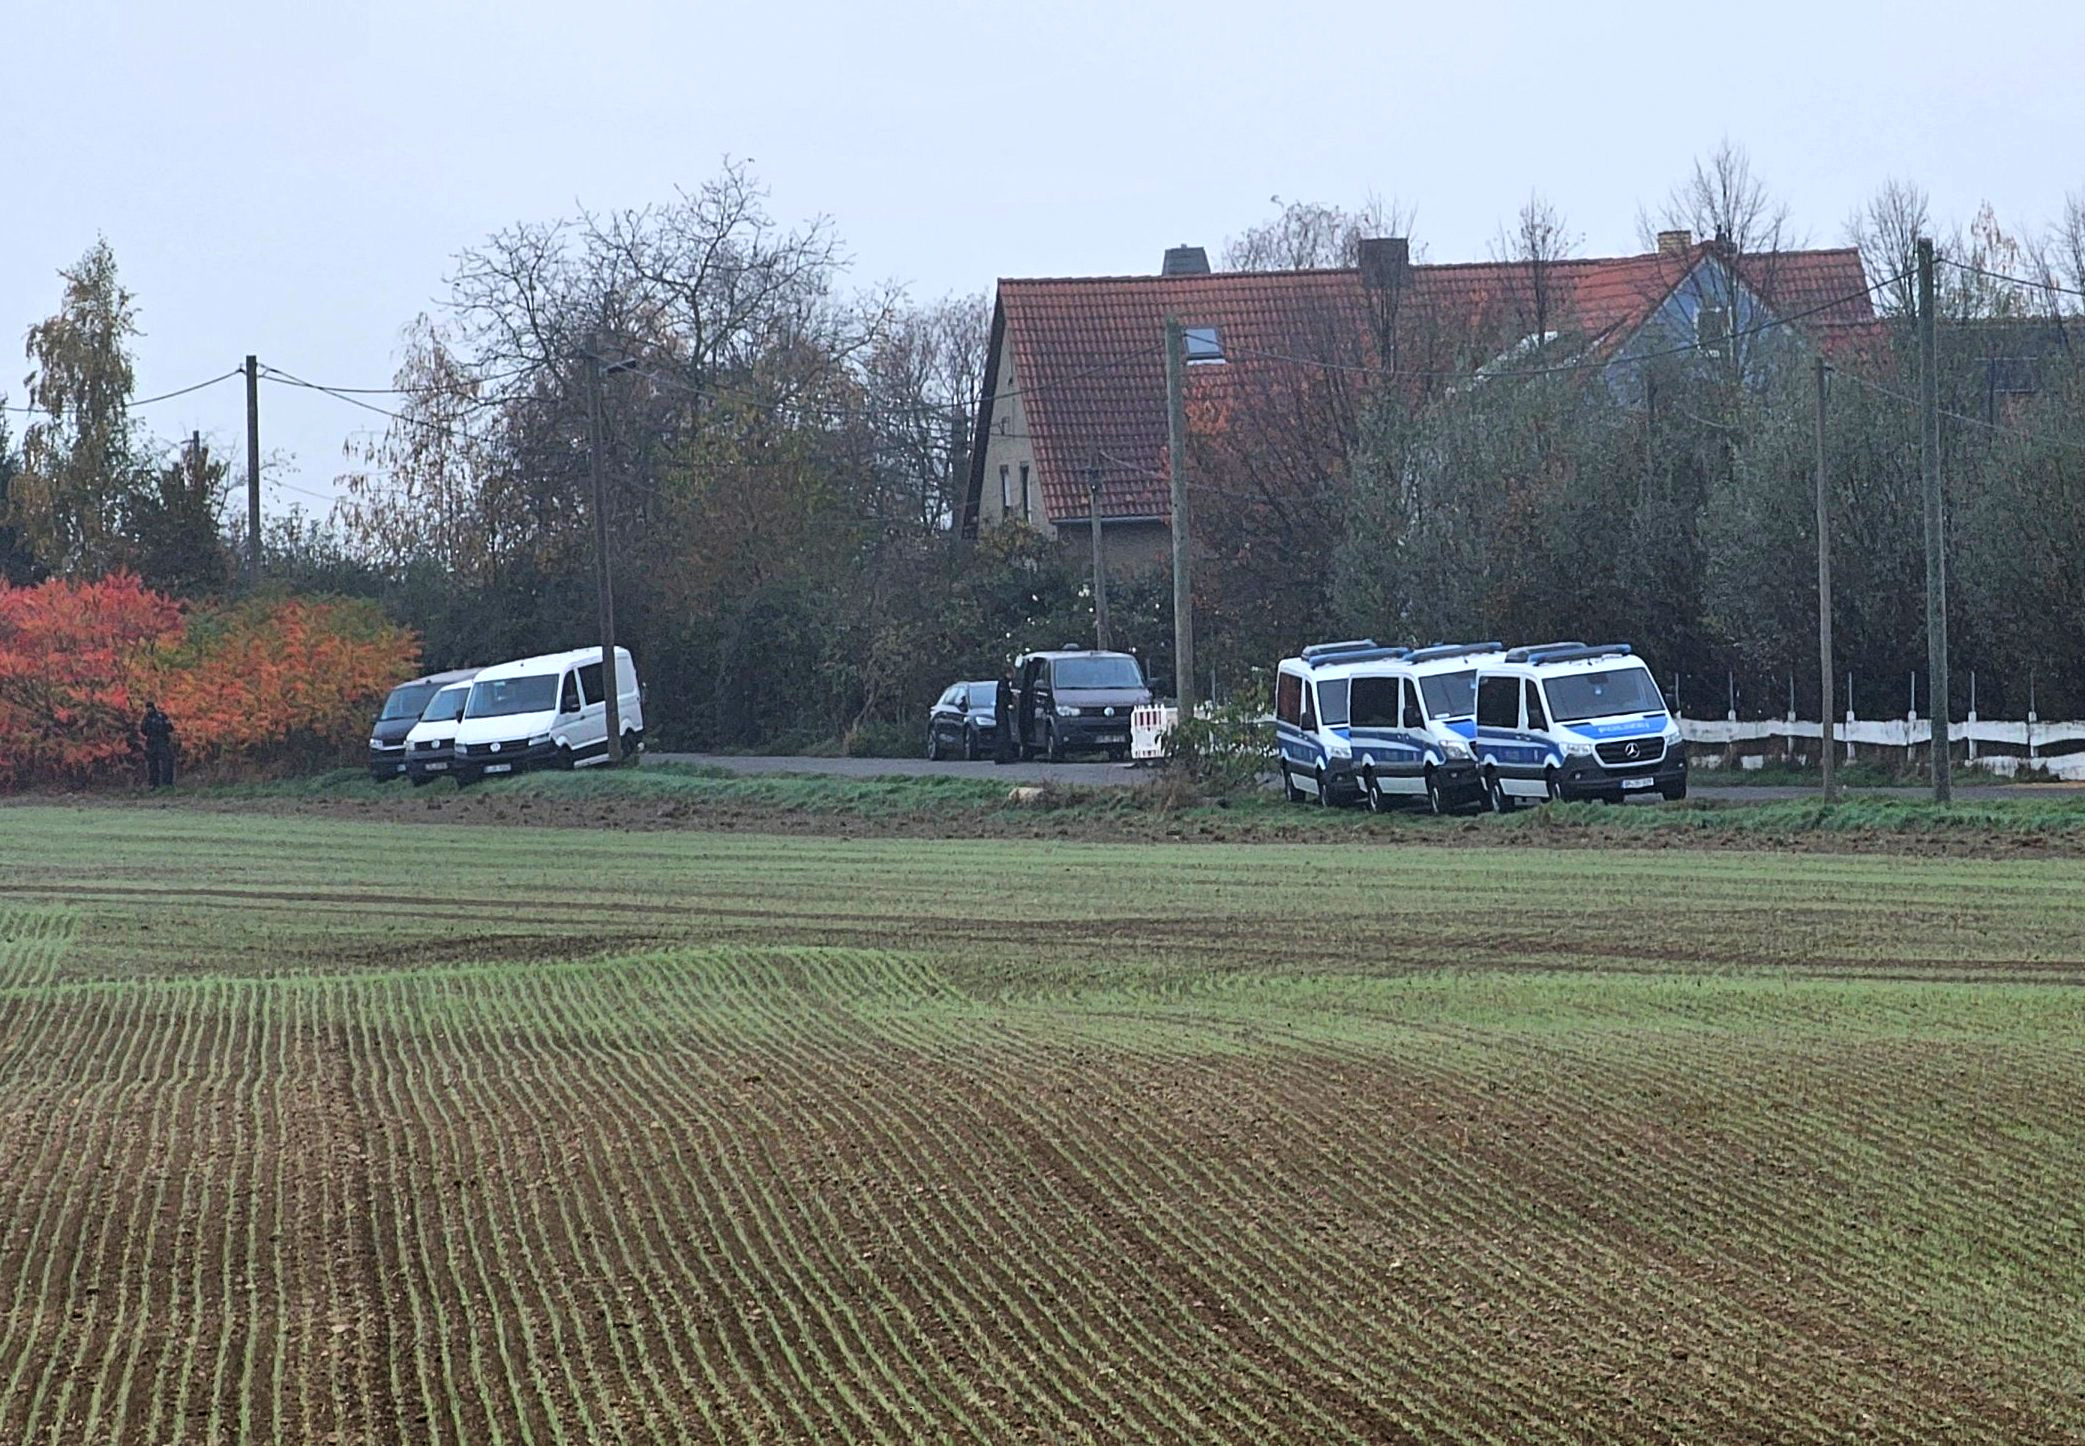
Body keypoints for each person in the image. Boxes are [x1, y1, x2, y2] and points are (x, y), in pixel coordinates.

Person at [140, 702, 176, 788]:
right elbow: (143, 730)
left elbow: (170, 727)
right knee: (152, 765)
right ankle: (154, 784)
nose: (148, 710)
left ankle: (167, 784)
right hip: (151, 742)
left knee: (167, 762)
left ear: (153, 708)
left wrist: (162, 733)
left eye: (149, 708)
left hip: (162, 741)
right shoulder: (146, 718)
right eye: (147, 708)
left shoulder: (162, 716)